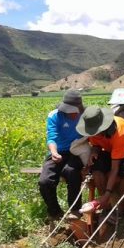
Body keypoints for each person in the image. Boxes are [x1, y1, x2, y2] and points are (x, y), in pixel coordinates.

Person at [75, 106, 124, 220]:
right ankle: (106, 206)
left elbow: (114, 168)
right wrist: (94, 152)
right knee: (97, 165)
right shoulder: (93, 130)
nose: (93, 135)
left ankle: (121, 207)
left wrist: (108, 193)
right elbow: (96, 145)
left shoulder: (119, 130)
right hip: (110, 151)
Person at [39, 90, 85, 221]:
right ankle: (55, 212)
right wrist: (54, 153)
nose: (72, 114)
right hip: (58, 152)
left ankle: (75, 209)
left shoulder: (84, 115)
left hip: (77, 151)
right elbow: (51, 137)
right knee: (45, 182)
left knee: (71, 172)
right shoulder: (54, 115)